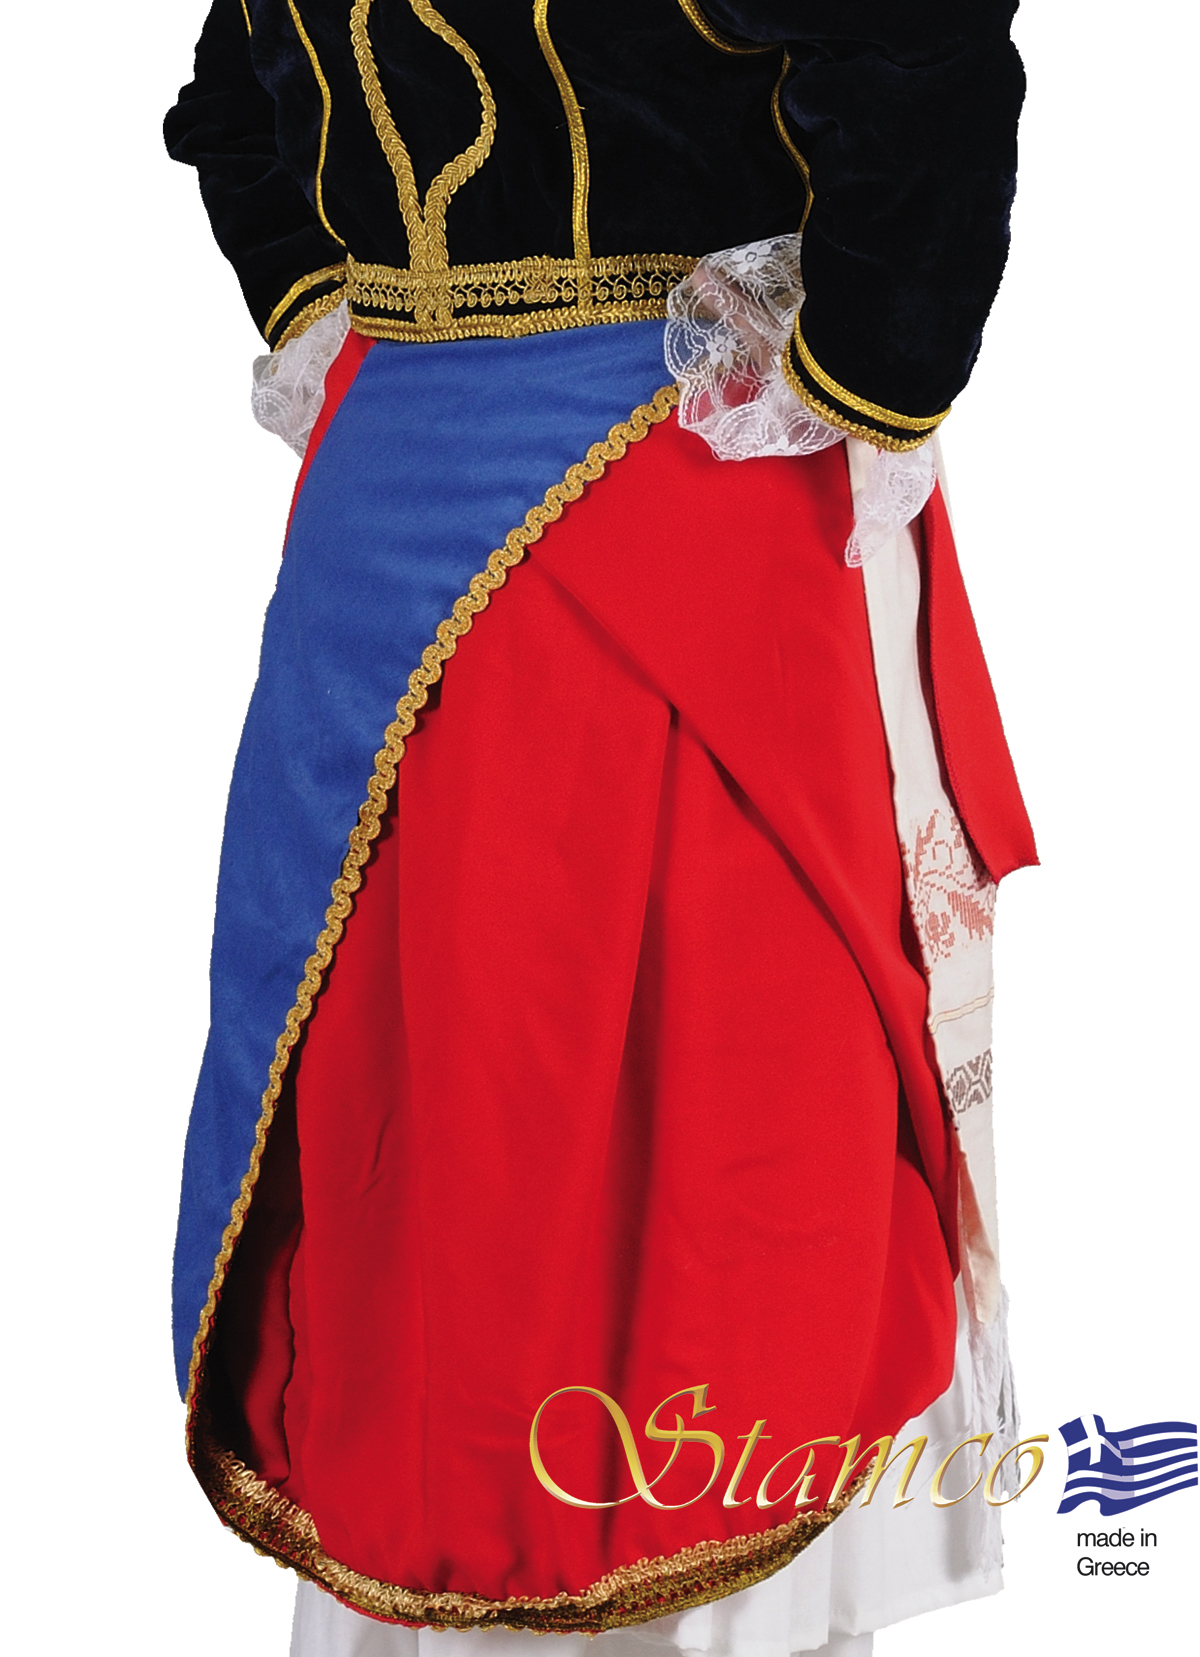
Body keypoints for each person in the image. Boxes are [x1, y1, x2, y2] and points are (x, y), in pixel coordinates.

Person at [165, 5, 1037, 1653]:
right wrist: (867, 364)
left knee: (624, 1080)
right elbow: (915, 59)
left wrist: (847, 366)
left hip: (635, 475)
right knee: (468, 1078)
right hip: (629, 489)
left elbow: (242, 106)